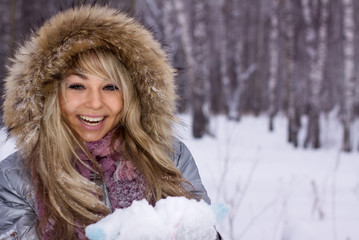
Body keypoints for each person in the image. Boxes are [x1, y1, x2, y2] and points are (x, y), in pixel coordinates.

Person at [0, 5, 212, 240]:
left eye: (110, 87)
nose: (94, 103)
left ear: (131, 95)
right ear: (51, 95)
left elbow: (203, 229)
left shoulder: (170, 157)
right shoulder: (16, 178)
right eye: (77, 86)